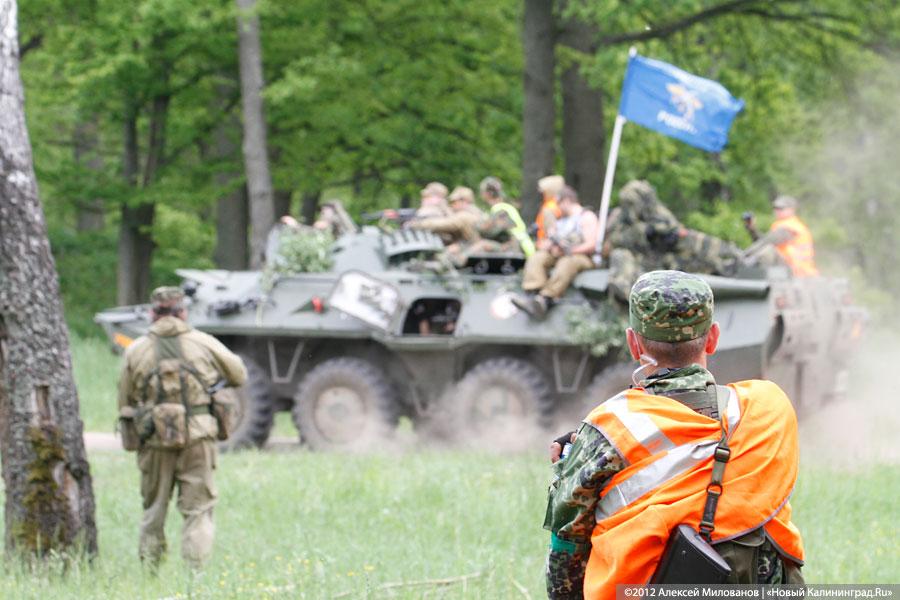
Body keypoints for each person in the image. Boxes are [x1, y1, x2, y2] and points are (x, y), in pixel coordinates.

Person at [544, 271, 805, 598]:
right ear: (712, 338)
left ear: (633, 343)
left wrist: (581, 452)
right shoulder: (769, 408)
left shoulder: (607, 428)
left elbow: (566, 550)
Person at [117, 287, 247, 569]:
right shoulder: (204, 342)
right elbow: (239, 374)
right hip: (198, 437)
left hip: (153, 441)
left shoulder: (136, 350)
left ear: (153, 313)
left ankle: (150, 575)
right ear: (183, 312)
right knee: (198, 511)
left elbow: (125, 401)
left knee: (153, 511)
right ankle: (195, 578)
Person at [513, 186, 598, 319]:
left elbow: (591, 244)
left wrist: (570, 250)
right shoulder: (561, 221)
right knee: (537, 258)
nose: (557, 207)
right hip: (559, 254)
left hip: (581, 257)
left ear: (567, 200)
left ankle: (546, 298)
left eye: (559, 203)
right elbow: (549, 242)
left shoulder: (586, 217)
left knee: (567, 262)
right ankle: (532, 293)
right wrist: (549, 245)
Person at [456, 176, 535, 260]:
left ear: (488, 194)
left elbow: (488, 232)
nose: (481, 194)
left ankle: (457, 263)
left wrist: (474, 220)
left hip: (516, 248)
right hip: (518, 246)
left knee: (481, 245)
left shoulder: (500, 210)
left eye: (482, 192)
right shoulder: (505, 207)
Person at [743, 195, 818, 277]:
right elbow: (764, 242)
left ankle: (754, 276)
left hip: (797, 270)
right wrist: (752, 229)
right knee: (766, 250)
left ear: (792, 210)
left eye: (781, 209)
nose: (777, 211)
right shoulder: (781, 224)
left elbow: (767, 242)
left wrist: (743, 255)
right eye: (775, 208)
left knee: (768, 251)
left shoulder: (791, 226)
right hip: (790, 268)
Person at [408, 185, 484, 247]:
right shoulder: (475, 212)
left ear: (463, 201)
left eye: (454, 202)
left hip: (471, 251)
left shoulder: (464, 216)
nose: (452, 205)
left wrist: (416, 224)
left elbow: (441, 224)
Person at [535, 174, 565, 242]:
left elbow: (549, 228)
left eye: (543, 192)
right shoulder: (555, 205)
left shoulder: (550, 207)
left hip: (545, 242)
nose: (542, 194)